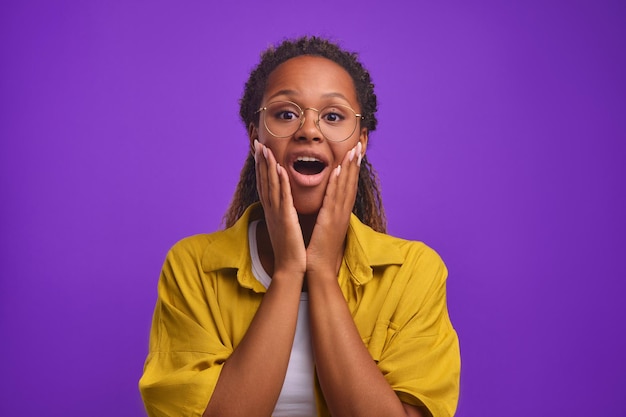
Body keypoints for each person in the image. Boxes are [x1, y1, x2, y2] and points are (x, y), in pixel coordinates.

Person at [139, 36, 460, 417]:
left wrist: (322, 271)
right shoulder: (193, 266)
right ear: (255, 135)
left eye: (333, 116)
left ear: (361, 142)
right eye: (286, 114)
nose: (309, 130)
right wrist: (290, 271)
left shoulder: (414, 273)